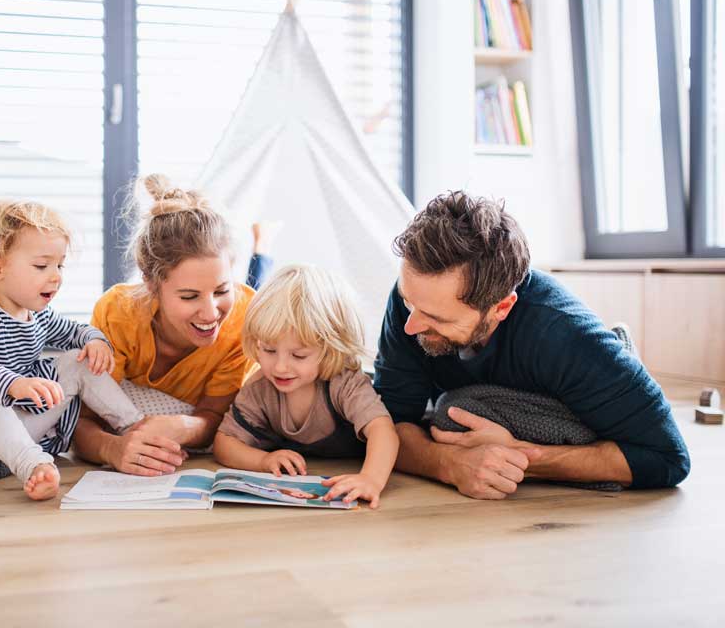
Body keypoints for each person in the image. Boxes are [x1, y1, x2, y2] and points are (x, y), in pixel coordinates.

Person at [373, 191, 690, 500]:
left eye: (436, 318)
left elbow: (668, 458)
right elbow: (386, 425)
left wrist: (522, 458)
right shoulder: (415, 301)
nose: (410, 325)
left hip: (573, 388)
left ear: (501, 308)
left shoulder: (565, 336)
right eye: (407, 301)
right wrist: (448, 465)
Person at [0, 200, 137, 500]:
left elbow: (74, 331)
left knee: (77, 360)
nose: (56, 276)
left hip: (21, 422)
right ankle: (32, 464)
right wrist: (13, 384)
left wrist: (95, 340)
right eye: (42, 266)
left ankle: (134, 426)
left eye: (59, 264)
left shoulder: (36, 315)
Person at [72, 174, 263, 476]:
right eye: (189, 296)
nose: (211, 312)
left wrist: (186, 426)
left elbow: (216, 416)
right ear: (151, 283)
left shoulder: (243, 318)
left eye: (222, 291)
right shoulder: (119, 313)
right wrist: (112, 449)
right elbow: (81, 419)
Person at [213, 265, 400, 509]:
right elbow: (224, 443)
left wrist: (370, 479)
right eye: (269, 350)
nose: (280, 367)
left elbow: (384, 431)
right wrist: (263, 460)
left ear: (330, 350)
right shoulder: (260, 387)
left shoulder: (343, 382)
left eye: (298, 355)